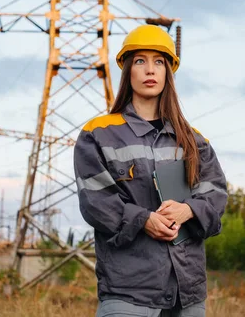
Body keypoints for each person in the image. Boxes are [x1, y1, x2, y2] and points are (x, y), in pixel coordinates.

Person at [74, 24, 228, 317]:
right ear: (128, 70)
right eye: (140, 61)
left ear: (168, 73)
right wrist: (143, 220)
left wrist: (189, 211)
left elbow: (216, 193)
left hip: (188, 294)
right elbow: (96, 201)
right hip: (128, 292)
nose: (150, 70)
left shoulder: (195, 140)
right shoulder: (99, 134)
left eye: (159, 62)